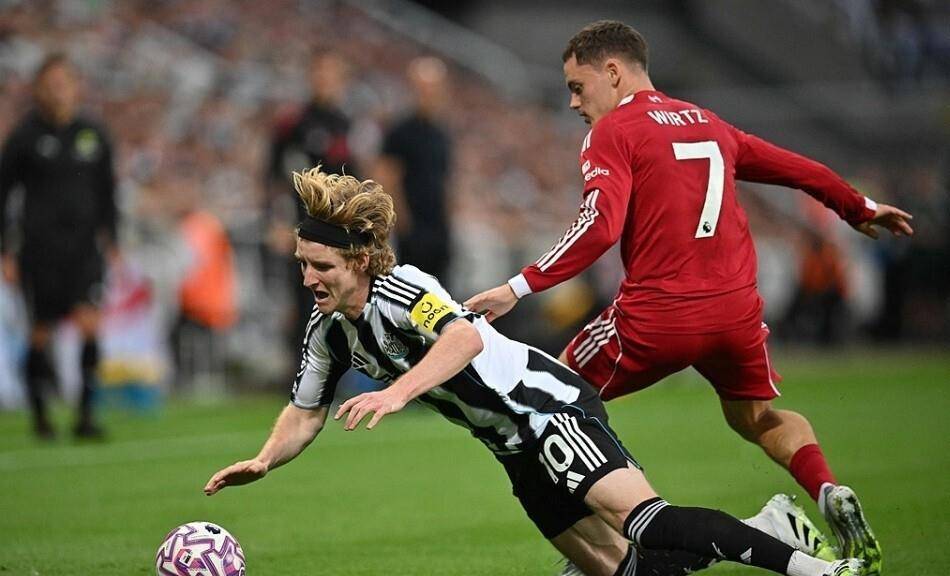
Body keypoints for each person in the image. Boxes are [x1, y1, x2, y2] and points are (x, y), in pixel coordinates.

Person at [204, 166, 861, 576]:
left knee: (647, 522)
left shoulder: (403, 289)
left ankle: (820, 572)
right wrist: (264, 459)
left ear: (357, 262)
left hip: (546, 408)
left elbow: (463, 337)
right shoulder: (328, 330)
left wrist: (398, 392)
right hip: (511, 446)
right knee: (629, 571)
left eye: (319, 265)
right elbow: (305, 411)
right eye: (302, 264)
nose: (307, 277)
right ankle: (766, 528)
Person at [464, 21, 915, 576]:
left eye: (578, 87)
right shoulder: (707, 122)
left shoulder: (613, 131)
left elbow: (599, 226)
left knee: (549, 405)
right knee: (756, 417)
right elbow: (797, 168)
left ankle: (612, 551)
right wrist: (859, 207)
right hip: (736, 312)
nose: (574, 102)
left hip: (659, 316)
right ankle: (826, 491)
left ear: (613, 72)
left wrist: (517, 287)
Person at [0, 53, 119, 439]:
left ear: (75, 87)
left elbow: (108, 192)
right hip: (40, 251)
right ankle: (40, 415)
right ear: (39, 89)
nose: (58, 91)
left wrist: (112, 240)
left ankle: (86, 415)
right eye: (51, 84)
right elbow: (3, 194)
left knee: (90, 324)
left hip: (84, 250)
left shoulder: (93, 134)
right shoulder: (24, 137)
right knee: (40, 331)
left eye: (64, 83)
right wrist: (5, 250)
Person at [265, 49, 360, 359]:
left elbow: (355, 180)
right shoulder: (294, 122)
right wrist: (276, 221)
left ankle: (336, 371)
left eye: (332, 73)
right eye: (320, 71)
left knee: (342, 306)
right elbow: (272, 176)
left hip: (338, 231)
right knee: (306, 303)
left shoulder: (347, 124)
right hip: (303, 229)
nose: (325, 79)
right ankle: (300, 371)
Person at [373, 56, 454, 284]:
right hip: (413, 229)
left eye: (434, 88)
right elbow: (386, 178)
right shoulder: (400, 132)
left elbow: (444, 180)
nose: (429, 94)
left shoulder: (441, 133)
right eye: (424, 88)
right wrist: (404, 225)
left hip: (438, 228)